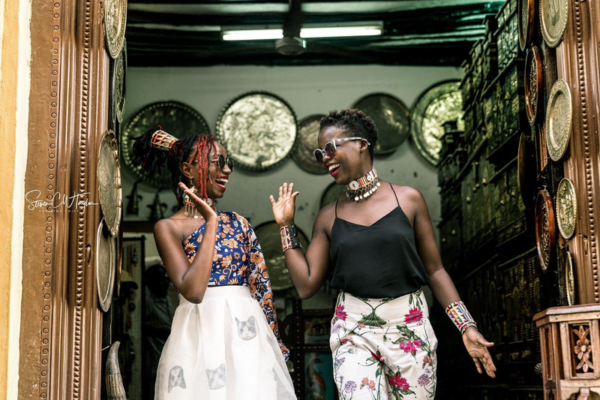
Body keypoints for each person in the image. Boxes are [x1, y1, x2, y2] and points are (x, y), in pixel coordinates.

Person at [269, 110, 496, 399]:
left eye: (330, 147)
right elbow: (306, 285)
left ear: (361, 144)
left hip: (410, 327)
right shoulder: (328, 217)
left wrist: (466, 326)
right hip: (353, 329)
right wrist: (286, 227)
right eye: (319, 153)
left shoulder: (409, 199)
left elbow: (435, 271)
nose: (324, 157)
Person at [134, 129, 296, 400]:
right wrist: (211, 223)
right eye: (217, 161)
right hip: (199, 338)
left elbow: (262, 289)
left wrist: (273, 345)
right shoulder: (168, 228)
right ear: (188, 168)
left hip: (247, 338)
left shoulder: (239, 223)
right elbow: (194, 292)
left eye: (227, 161)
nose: (227, 169)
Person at [143, 263, 175, 399]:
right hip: (153, 356)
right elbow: (142, 327)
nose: (163, 284)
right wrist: (160, 330)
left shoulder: (167, 297)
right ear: (150, 282)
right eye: (159, 281)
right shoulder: (146, 299)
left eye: (166, 280)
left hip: (170, 355)